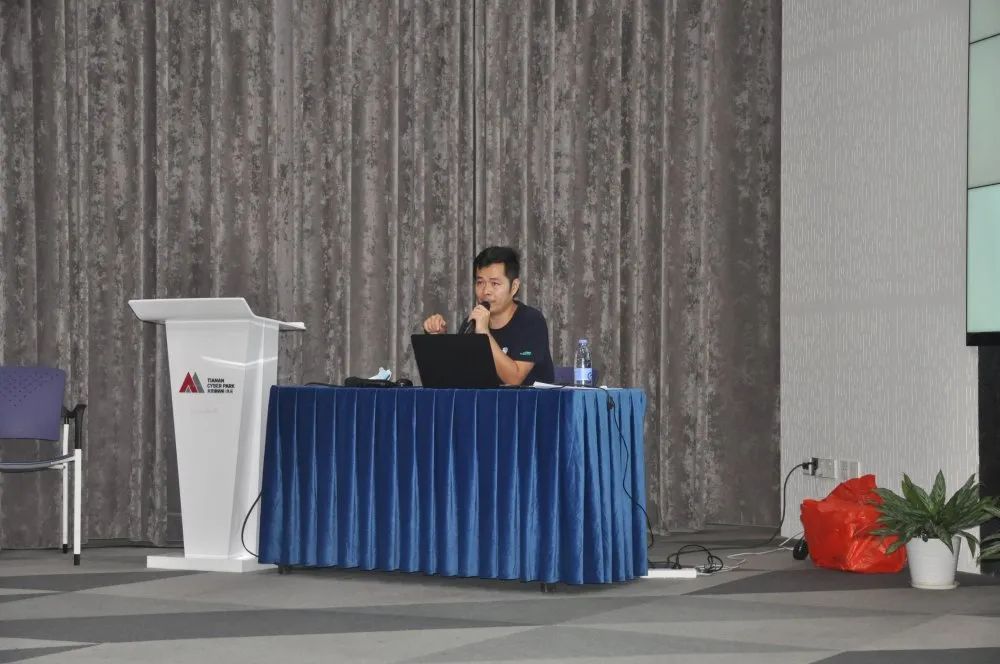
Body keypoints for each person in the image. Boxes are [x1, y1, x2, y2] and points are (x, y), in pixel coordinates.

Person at [423, 247, 555, 386]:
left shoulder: (531, 321)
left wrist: (484, 333)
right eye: (480, 282)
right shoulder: (471, 323)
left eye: (495, 283)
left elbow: (514, 379)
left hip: (528, 400)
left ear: (514, 287)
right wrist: (438, 340)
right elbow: (455, 377)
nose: (486, 291)